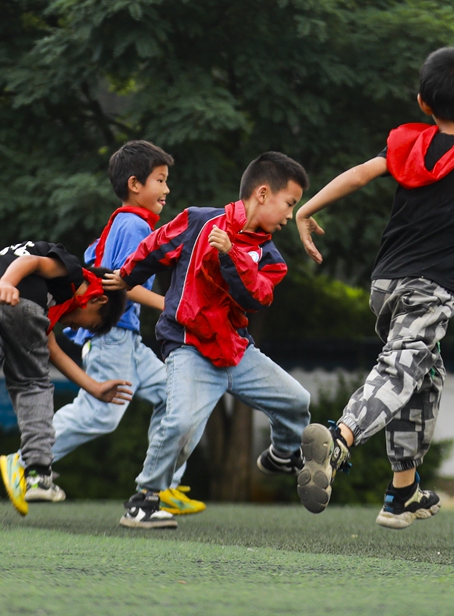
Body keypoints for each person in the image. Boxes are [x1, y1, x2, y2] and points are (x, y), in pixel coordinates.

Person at [294, 46, 454, 529]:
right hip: (432, 289)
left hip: (385, 285)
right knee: (401, 369)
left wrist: (305, 210)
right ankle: (341, 438)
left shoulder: (408, 145)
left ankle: (402, 493)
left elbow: (359, 175)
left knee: (425, 377)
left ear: (423, 102)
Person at [111, 152, 312, 529]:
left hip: (236, 351)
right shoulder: (199, 221)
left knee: (297, 400)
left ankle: (283, 455)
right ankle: (144, 501)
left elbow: (257, 298)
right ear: (264, 194)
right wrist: (126, 276)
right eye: (290, 203)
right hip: (189, 347)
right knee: (181, 422)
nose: (290, 215)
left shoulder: (272, 258)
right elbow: (155, 246)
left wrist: (230, 255)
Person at [39, 141, 205, 516]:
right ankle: (27, 462)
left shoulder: (124, 222)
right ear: (135, 184)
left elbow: (91, 260)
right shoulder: (132, 225)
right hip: (111, 336)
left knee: (177, 396)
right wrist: (174, 306)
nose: (166, 189)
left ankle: (162, 485)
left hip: (125, 337)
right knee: (101, 414)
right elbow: (119, 282)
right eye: (160, 180)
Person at [0, 241, 132, 516]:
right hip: (17, 298)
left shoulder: (57, 296)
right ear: (98, 299)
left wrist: (94, 387)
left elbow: (51, 349)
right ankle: (38, 473)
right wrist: (8, 283)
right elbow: (31, 262)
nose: (72, 326)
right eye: (87, 324)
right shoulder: (72, 270)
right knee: (32, 384)